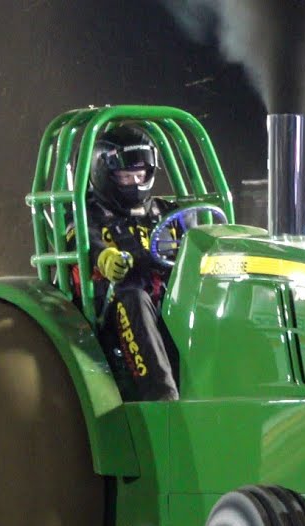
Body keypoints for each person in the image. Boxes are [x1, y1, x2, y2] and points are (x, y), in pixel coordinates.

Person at [67, 123, 184, 401]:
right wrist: (104, 257)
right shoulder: (88, 215)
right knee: (134, 297)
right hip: (111, 307)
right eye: (126, 176)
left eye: (139, 174)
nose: (134, 182)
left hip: (170, 299)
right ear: (103, 172)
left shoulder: (167, 213)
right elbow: (82, 240)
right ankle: (162, 400)